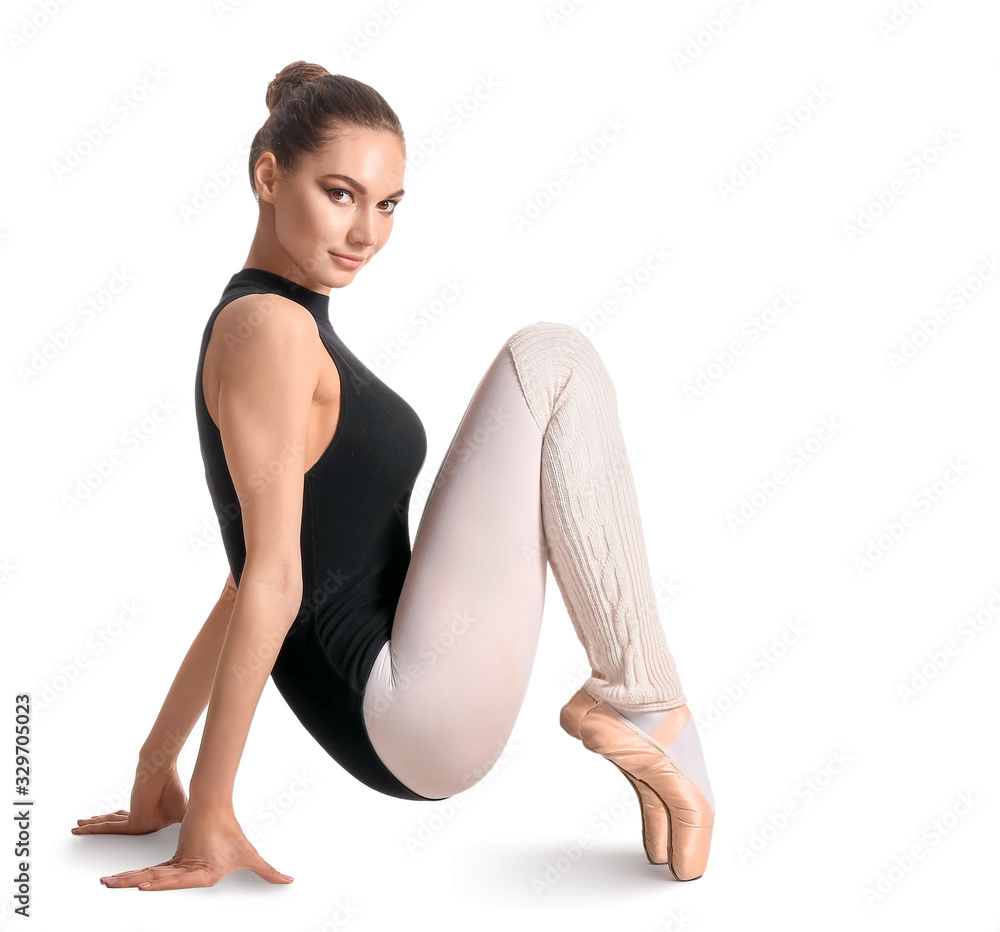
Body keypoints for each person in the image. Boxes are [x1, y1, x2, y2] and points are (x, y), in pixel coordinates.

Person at [71, 61, 715, 889]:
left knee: (552, 361)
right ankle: (643, 701)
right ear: (270, 176)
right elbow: (268, 578)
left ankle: (640, 703)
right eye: (340, 194)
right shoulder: (268, 329)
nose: (367, 231)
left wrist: (155, 770)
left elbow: (239, 585)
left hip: (411, 691)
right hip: (408, 709)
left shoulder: (283, 321)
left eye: (388, 205)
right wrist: (210, 816)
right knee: (553, 358)